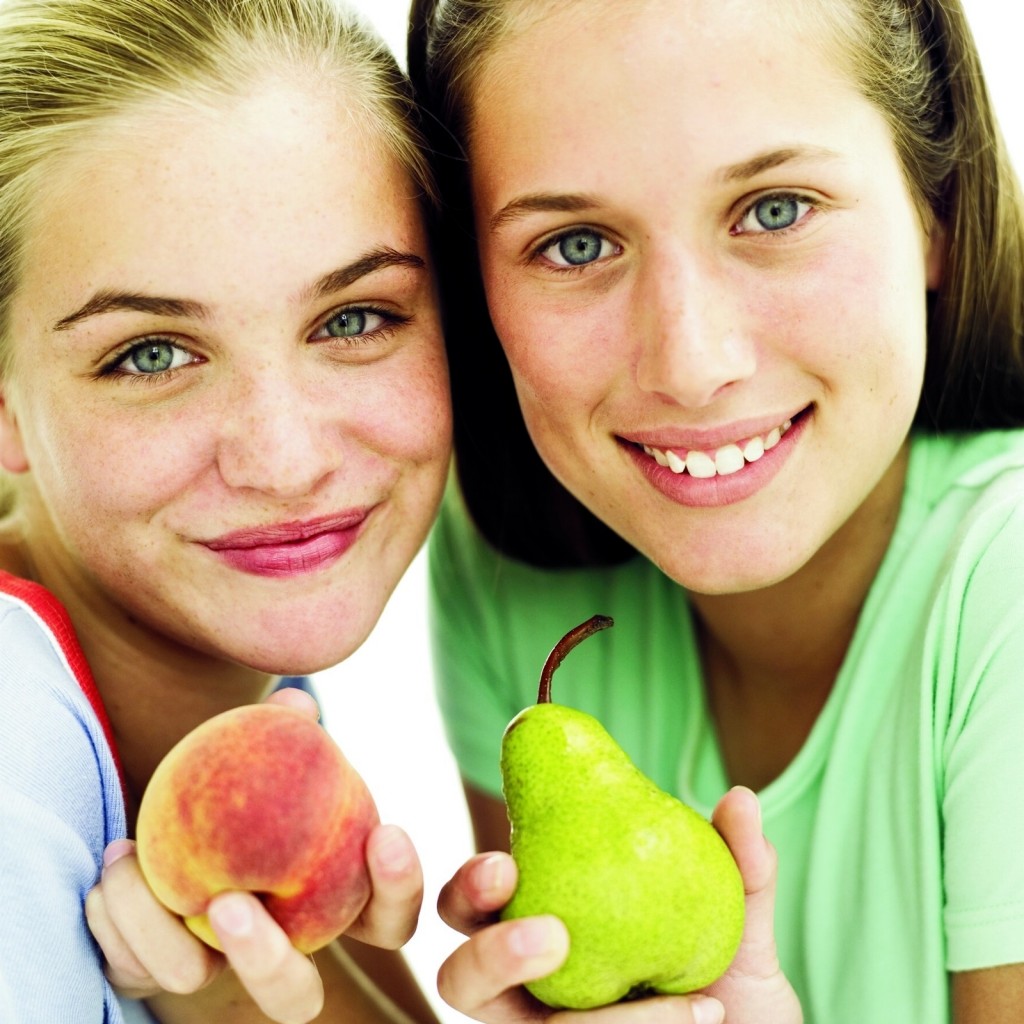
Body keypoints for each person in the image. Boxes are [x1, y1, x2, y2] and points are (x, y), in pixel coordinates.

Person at [408, 0, 1024, 1022]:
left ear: (937, 211)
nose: (691, 365)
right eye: (573, 245)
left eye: (775, 209)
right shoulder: (502, 580)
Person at [0, 0, 452, 1021]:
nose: (284, 461)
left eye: (354, 318)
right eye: (150, 353)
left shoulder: (239, 685)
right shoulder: (14, 780)